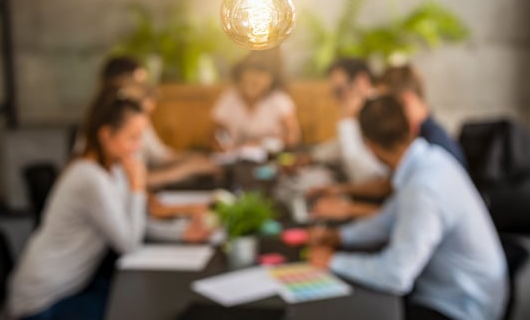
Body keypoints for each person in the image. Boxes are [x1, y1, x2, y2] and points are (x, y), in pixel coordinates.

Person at [308, 95, 508, 320]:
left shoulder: (424, 188)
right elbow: (389, 219)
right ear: (410, 126)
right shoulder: (428, 161)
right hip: (462, 292)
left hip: (461, 308)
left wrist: (332, 261)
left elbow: (396, 275)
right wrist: (342, 236)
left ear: (370, 147)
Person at [9, 86, 149, 320]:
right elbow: (129, 244)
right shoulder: (89, 178)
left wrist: (183, 233)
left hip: (71, 287)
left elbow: (131, 221)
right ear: (106, 135)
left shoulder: (111, 169)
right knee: (134, 309)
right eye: (132, 138)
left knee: (131, 298)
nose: (139, 146)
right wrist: (137, 188)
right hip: (41, 304)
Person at [309, 61, 467, 220]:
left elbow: (409, 214)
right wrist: (341, 190)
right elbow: (389, 185)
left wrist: (349, 209)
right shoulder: (421, 141)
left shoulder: (434, 150)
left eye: (388, 106)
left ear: (406, 101)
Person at [96, 56, 219, 188]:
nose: (145, 89)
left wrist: (198, 159)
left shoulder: (138, 119)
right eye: (139, 84)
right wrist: (186, 169)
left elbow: (159, 157)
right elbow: (133, 181)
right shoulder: (113, 127)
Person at [211, 49, 301, 150]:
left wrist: (279, 145)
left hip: (271, 156)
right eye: (248, 80)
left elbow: (292, 134)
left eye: (256, 83)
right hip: (237, 157)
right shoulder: (229, 97)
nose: (252, 83)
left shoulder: (278, 99)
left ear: (269, 81)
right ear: (240, 77)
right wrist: (223, 146)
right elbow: (214, 132)